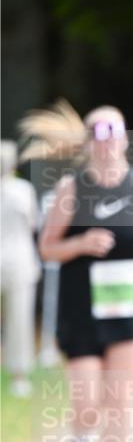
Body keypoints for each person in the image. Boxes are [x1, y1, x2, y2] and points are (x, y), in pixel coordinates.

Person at [23, 100, 133, 442]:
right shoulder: (72, 188)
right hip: (81, 309)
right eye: (97, 133)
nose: (106, 141)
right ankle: (79, 441)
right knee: (87, 403)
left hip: (130, 308)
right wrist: (81, 244)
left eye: (113, 131)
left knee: (119, 398)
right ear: (88, 142)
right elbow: (47, 246)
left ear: (124, 138)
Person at [0, 140, 41, 397]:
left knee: (19, 318)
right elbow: (33, 222)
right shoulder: (22, 190)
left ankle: (19, 373)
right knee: (18, 319)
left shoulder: (21, 189)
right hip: (19, 259)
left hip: (19, 260)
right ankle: (19, 374)